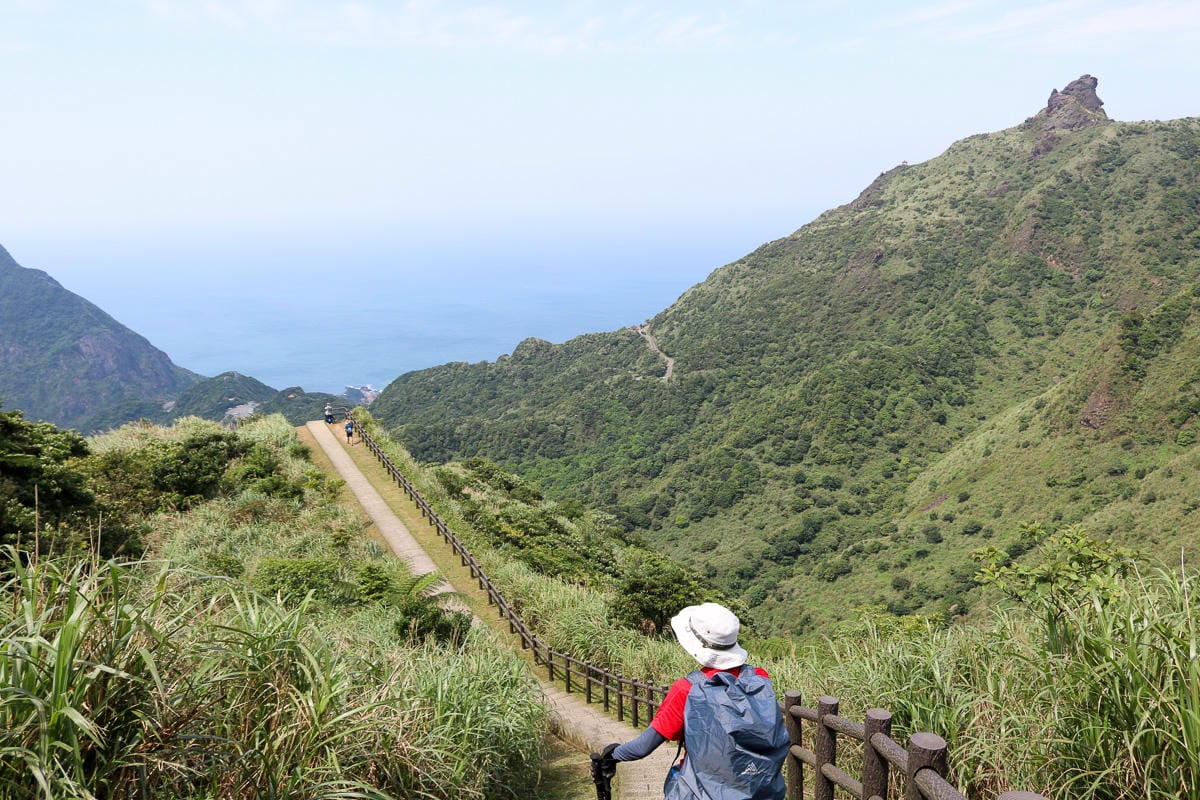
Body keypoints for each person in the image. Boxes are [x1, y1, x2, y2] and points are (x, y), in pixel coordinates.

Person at [594, 602, 788, 799]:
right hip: (760, 790)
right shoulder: (760, 678)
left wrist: (613, 755)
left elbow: (643, 746)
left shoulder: (687, 689)